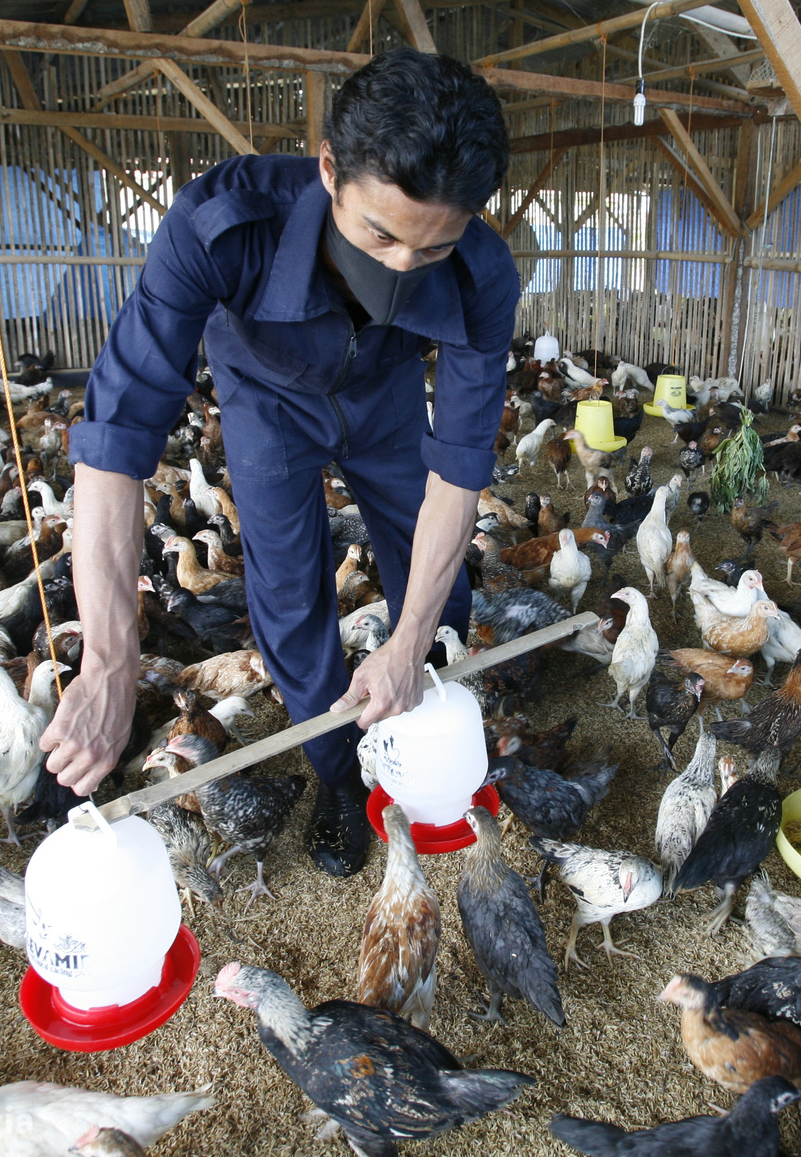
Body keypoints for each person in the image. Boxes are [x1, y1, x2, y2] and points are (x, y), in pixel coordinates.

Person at [45, 48, 516, 878]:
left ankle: (428, 719)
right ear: (330, 169)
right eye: (380, 233)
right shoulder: (218, 226)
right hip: (265, 401)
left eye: (432, 249)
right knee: (289, 594)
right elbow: (116, 436)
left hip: (385, 398)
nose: (400, 267)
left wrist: (407, 642)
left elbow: (460, 469)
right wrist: (110, 662)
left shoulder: (482, 275)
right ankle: (338, 770)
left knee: (431, 574)